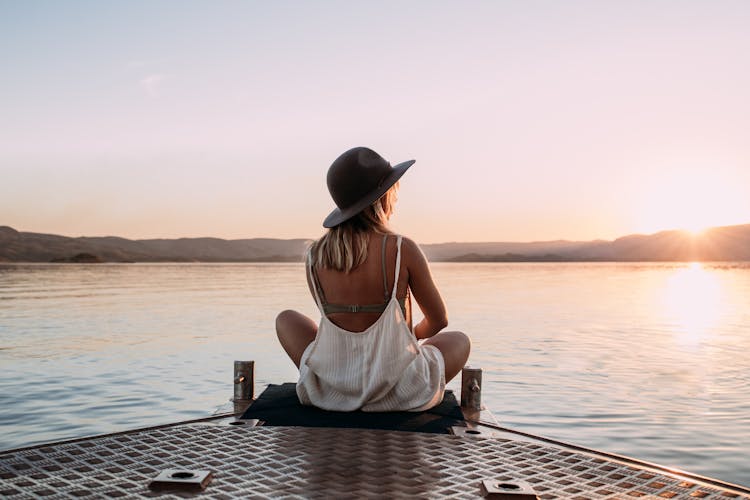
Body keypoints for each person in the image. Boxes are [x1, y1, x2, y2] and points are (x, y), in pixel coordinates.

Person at [276, 147, 470, 412]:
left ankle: (339, 383)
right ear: (381, 199)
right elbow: (439, 321)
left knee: (286, 319)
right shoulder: (402, 249)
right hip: (402, 392)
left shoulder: (315, 256)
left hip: (331, 392)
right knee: (459, 340)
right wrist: (404, 337)